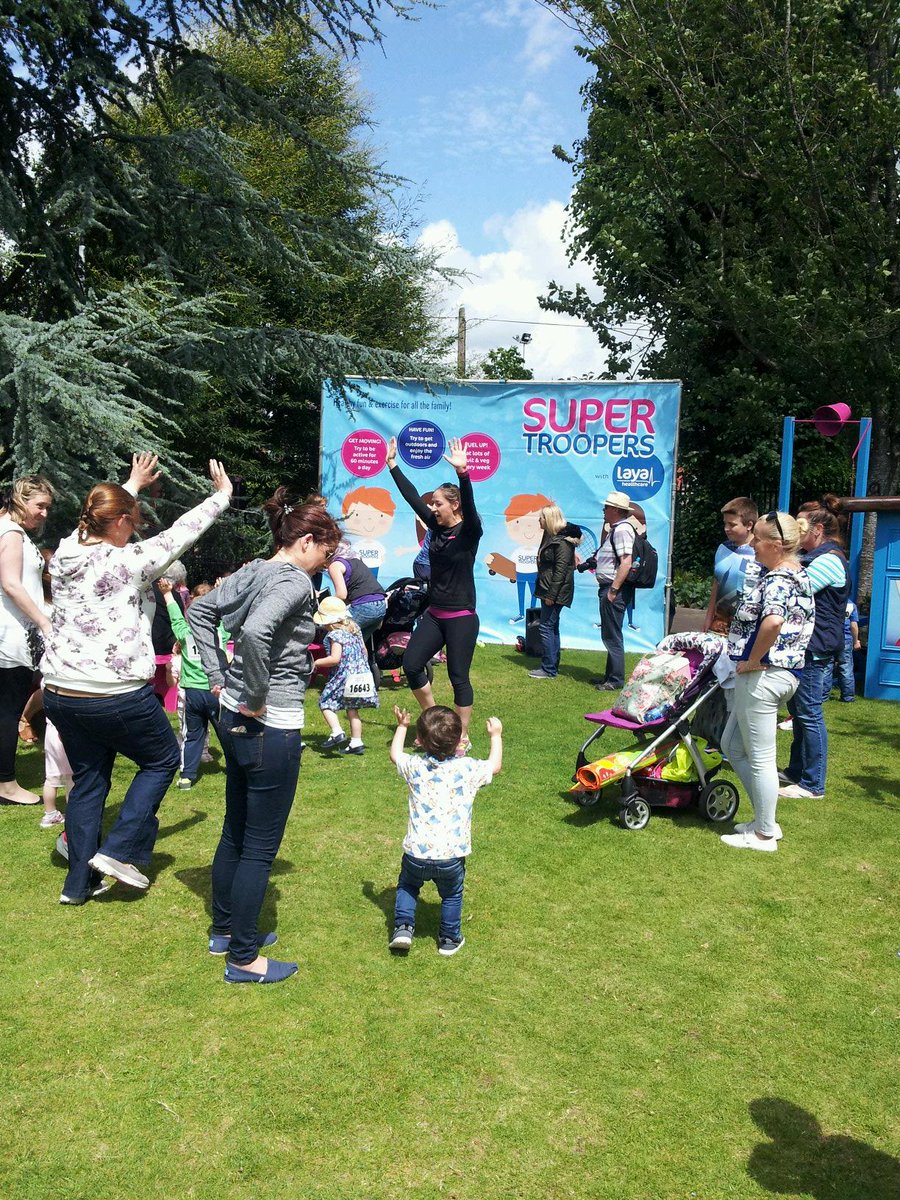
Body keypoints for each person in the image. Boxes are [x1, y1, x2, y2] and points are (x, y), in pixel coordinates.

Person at [42, 454, 232, 905]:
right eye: (133, 519)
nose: (138, 527)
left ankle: (77, 886)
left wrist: (131, 484)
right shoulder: (130, 562)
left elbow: (96, 519)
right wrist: (221, 496)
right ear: (121, 521)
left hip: (60, 693)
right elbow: (181, 533)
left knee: (89, 781)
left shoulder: (66, 552)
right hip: (113, 694)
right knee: (163, 759)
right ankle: (119, 850)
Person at [189, 494, 342, 985]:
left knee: (236, 828)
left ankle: (225, 931)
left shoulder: (253, 569)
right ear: (305, 541)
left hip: (233, 716)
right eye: (327, 553)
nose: (327, 563)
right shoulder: (294, 579)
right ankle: (243, 958)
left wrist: (218, 679)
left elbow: (200, 612)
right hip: (267, 722)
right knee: (258, 847)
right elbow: (255, 632)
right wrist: (252, 692)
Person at [719, 512, 814, 851]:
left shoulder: (778, 579)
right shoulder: (796, 574)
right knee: (732, 746)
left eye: (758, 540)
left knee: (759, 757)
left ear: (775, 545)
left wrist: (753, 659)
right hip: (781, 674)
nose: (752, 545)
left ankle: (764, 834)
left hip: (764, 675)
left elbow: (772, 622)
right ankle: (765, 819)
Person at [385, 436, 483, 748]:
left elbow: (469, 504)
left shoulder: (469, 532)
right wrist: (392, 466)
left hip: (461, 617)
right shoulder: (436, 527)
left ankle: (461, 736)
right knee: (412, 664)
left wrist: (463, 474)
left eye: (438, 503)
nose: (432, 507)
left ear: (453, 505)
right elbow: (413, 497)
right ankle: (436, 726)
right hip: (435, 614)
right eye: (433, 504)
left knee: (459, 678)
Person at [388, 704, 502, 956]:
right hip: (451, 854)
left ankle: (403, 929)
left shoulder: (415, 766)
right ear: (460, 739)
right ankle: (449, 939)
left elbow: (395, 754)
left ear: (419, 741)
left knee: (408, 886)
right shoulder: (468, 769)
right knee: (452, 894)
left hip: (416, 852)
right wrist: (495, 736)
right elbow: (494, 766)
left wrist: (401, 726)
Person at [779, 502, 851, 800]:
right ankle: (796, 772)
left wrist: (781, 559)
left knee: (809, 714)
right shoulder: (815, 557)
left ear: (818, 530)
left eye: (801, 526)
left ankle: (813, 784)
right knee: (799, 712)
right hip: (806, 647)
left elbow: (797, 589)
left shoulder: (829, 560)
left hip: (815, 648)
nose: (795, 531)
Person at [0, 474, 54, 806]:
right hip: (9, 637)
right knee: (7, 710)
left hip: (11, 635)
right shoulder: (12, 533)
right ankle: (5, 784)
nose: (45, 513)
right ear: (21, 499)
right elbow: (11, 584)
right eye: (40, 506)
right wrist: (43, 620)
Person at [158, 578, 225, 789]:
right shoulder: (221, 631)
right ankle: (238, 768)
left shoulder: (185, 633)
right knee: (227, 734)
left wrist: (168, 593)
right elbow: (230, 614)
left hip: (193, 694)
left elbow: (175, 617)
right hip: (217, 692)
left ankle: (186, 776)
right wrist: (222, 590)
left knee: (192, 735)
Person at [313, 595, 379, 754]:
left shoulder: (335, 635)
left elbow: (335, 659)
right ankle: (356, 742)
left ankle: (336, 731)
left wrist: (316, 663)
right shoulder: (355, 628)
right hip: (361, 674)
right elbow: (364, 650)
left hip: (344, 674)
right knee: (352, 707)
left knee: (325, 703)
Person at [529, 504, 582, 679]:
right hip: (548, 589)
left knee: (546, 627)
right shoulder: (552, 537)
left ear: (550, 519)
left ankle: (548, 668)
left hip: (554, 592)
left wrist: (552, 595)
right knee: (551, 627)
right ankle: (551, 665)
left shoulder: (562, 542)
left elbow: (561, 571)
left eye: (542, 517)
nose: (539, 520)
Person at [593, 490, 635, 691]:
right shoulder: (617, 529)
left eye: (607, 507)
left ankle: (616, 679)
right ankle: (610, 677)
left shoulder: (621, 530)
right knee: (610, 633)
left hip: (613, 589)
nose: (604, 510)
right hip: (611, 587)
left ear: (616, 510)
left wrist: (613, 589)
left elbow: (626, 562)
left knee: (612, 635)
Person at [703, 496, 759, 633]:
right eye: (725, 523)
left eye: (732, 524)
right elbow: (717, 583)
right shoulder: (723, 548)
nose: (726, 529)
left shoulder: (760, 552)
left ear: (749, 525)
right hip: (719, 625)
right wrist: (708, 617)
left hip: (748, 628)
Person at [327, 548, 387, 641]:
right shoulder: (356, 561)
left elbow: (341, 595)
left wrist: (324, 606)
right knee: (359, 644)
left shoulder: (335, 565)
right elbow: (348, 597)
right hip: (381, 605)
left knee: (331, 639)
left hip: (364, 606)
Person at [822, 599, 860, 703]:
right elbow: (853, 625)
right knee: (846, 668)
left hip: (829, 639)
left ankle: (823, 696)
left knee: (826, 668)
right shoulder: (851, 605)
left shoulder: (829, 602)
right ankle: (847, 697)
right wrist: (856, 641)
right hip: (845, 639)